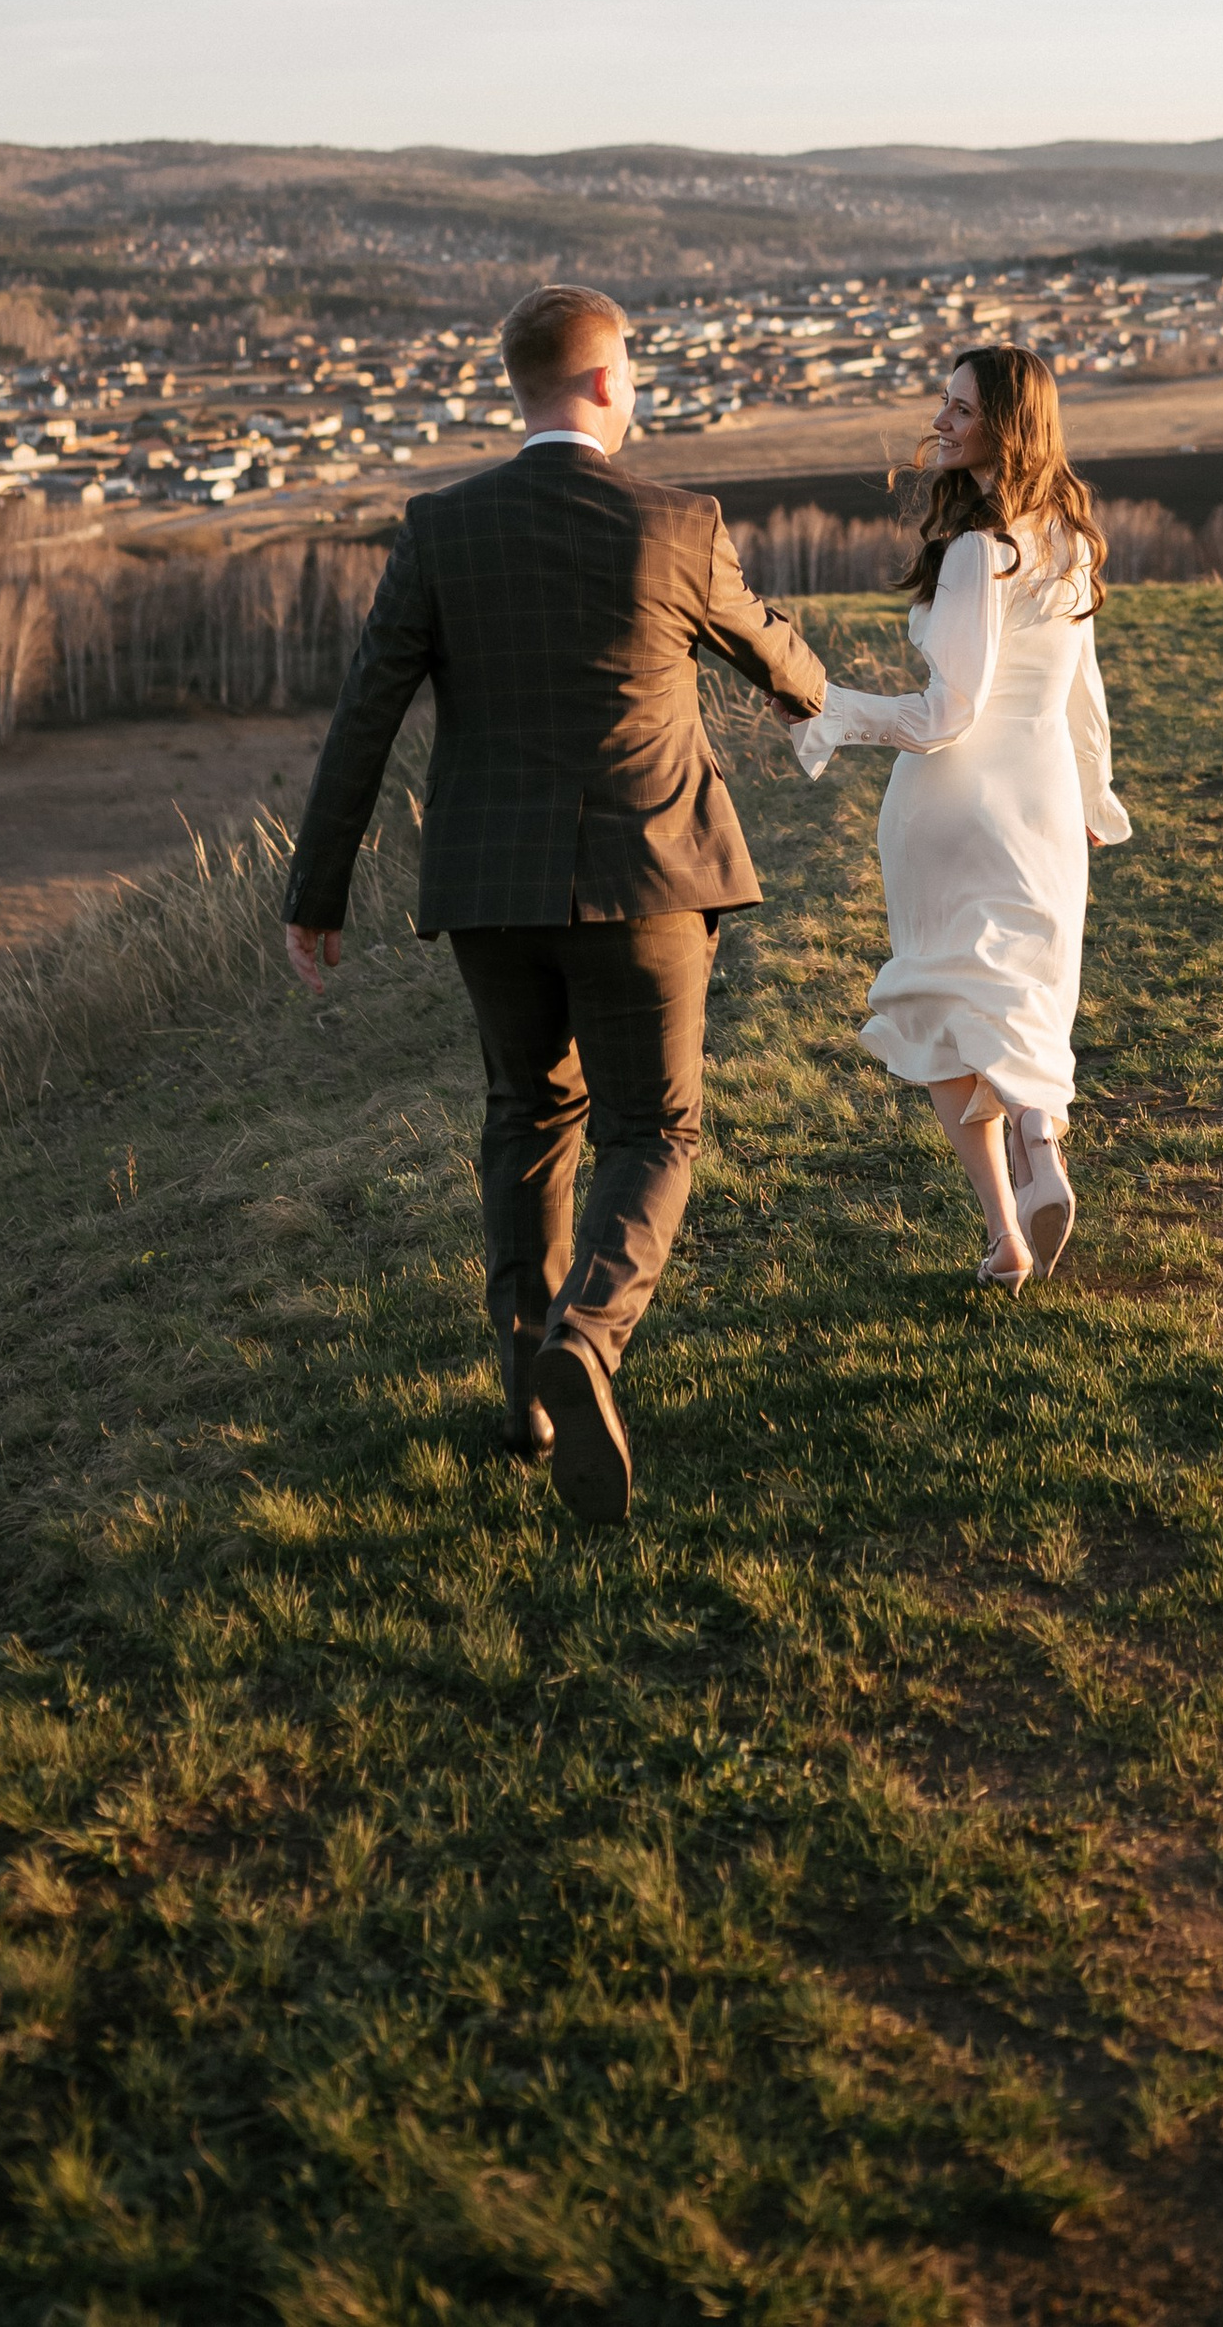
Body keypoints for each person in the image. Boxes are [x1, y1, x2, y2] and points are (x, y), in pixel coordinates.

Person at [282, 282, 827, 1523]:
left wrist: (316, 892)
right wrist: (817, 690)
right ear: (597, 383)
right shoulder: (677, 522)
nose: (633, 388)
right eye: (628, 370)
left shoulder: (441, 527)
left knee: (528, 1114)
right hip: (648, 882)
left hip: (489, 892)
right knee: (655, 1131)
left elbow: (366, 712)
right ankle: (586, 1337)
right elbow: (772, 655)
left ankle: (525, 1393)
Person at [792, 346, 1130, 1289]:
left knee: (938, 1001)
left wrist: (834, 710)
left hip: (955, 805)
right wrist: (1095, 796)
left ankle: (1004, 1226)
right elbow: (1084, 698)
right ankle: (1036, 1150)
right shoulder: (1070, 536)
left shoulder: (981, 549)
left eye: (960, 408)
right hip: (1046, 802)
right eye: (942, 402)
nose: (940, 420)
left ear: (1005, 426)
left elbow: (948, 716)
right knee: (1022, 990)